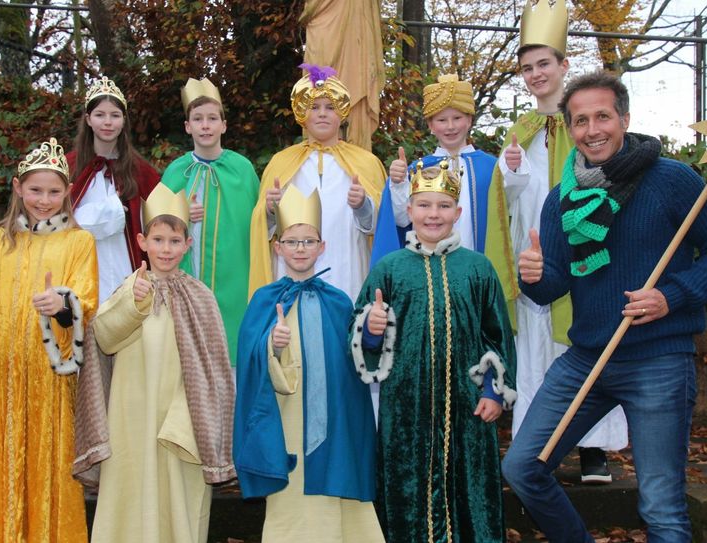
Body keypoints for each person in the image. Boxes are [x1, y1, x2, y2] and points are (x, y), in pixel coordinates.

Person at [500, 71, 707, 542]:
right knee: (522, 467)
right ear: (570, 129)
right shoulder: (562, 199)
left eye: (602, 116)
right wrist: (532, 276)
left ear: (624, 118)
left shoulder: (671, 179)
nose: (592, 129)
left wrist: (671, 296)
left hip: (659, 360)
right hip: (587, 358)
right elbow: (553, 287)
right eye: (580, 120)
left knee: (661, 505)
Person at [0, 138, 98, 542]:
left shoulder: (80, 243)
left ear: (68, 193)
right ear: (17, 188)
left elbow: (86, 302)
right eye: (36, 190)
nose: (44, 200)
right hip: (0, 380)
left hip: (49, 382)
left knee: (50, 463)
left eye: (54, 191)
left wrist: (63, 305)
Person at [495, 0, 628, 483]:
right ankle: (541, 449)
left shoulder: (588, 129)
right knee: (537, 354)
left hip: (585, 253)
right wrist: (508, 174)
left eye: (543, 64)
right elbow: (507, 202)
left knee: (585, 347)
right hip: (536, 256)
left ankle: (595, 450)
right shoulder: (520, 131)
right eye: (527, 68)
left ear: (564, 65)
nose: (535, 75)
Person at [352, 160, 516, 542]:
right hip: (406, 410)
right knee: (407, 487)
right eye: (424, 205)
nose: (433, 214)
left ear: (457, 213)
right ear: (409, 211)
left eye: (443, 206)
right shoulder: (389, 270)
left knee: (470, 488)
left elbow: (497, 335)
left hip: (468, 408)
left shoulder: (478, 269)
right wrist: (372, 330)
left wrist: (493, 391)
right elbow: (359, 331)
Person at [72, 184, 236, 543]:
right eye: (158, 240)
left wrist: (191, 414)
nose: (166, 249)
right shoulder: (127, 288)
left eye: (175, 241)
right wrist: (133, 303)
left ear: (187, 245)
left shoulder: (201, 297)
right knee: (131, 496)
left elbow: (214, 370)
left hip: (182, 420)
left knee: (180, 500)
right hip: (131, 418)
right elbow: (103, 337)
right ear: (142, 241)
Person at [234, 185, 383, 543]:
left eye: (308, 241)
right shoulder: (263, 300)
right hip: (284, 421)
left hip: (332, 421)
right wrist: (271, 344)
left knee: (335, 493)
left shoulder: (339, 302)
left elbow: (357, 361)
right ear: (277, 248)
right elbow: (248, 359)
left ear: (322, 247)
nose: (300, 249)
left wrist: (374, 331)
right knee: (292, 499)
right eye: (292, 241)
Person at [376, 74, 516, 308]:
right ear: (430, 125)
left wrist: (514, 169)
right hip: (427, 272)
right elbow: (401, 219)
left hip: (476, 270)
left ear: (469, 119)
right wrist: (399, 184)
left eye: (457, 118)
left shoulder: (492, 167)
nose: (450, 126)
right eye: (442, 120)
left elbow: (511, 207)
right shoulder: (417, 169)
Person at [248, 64, 386, 302]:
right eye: (314, 107)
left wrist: (362, 204)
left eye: (330, 107)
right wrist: (270, 211)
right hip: (294, 270)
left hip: (348, 265)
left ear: (341, 113)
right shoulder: (282, 162)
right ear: (303, 113)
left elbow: (381, 227)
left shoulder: (366, 162)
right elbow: (264, 229)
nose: (322, 113)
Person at [160, 77, 259, 367]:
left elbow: (260, 225)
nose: (205, 125)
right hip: (188, 278)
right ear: (187, 126)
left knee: (232, 355)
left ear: (223, 125)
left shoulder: (242, 169)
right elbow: (157, 228)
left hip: (234, 278)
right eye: (198, 119)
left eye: (212, 118)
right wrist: (182, 217)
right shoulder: (175, 172)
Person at [67, 76, 160, 305]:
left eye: (115, 115)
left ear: (123, 120)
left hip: (124, 261)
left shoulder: (141, 171)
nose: (107, 122)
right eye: (100, 115)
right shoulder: (68, 166)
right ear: (88, 119)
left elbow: (161, 217)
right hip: (81, 262)